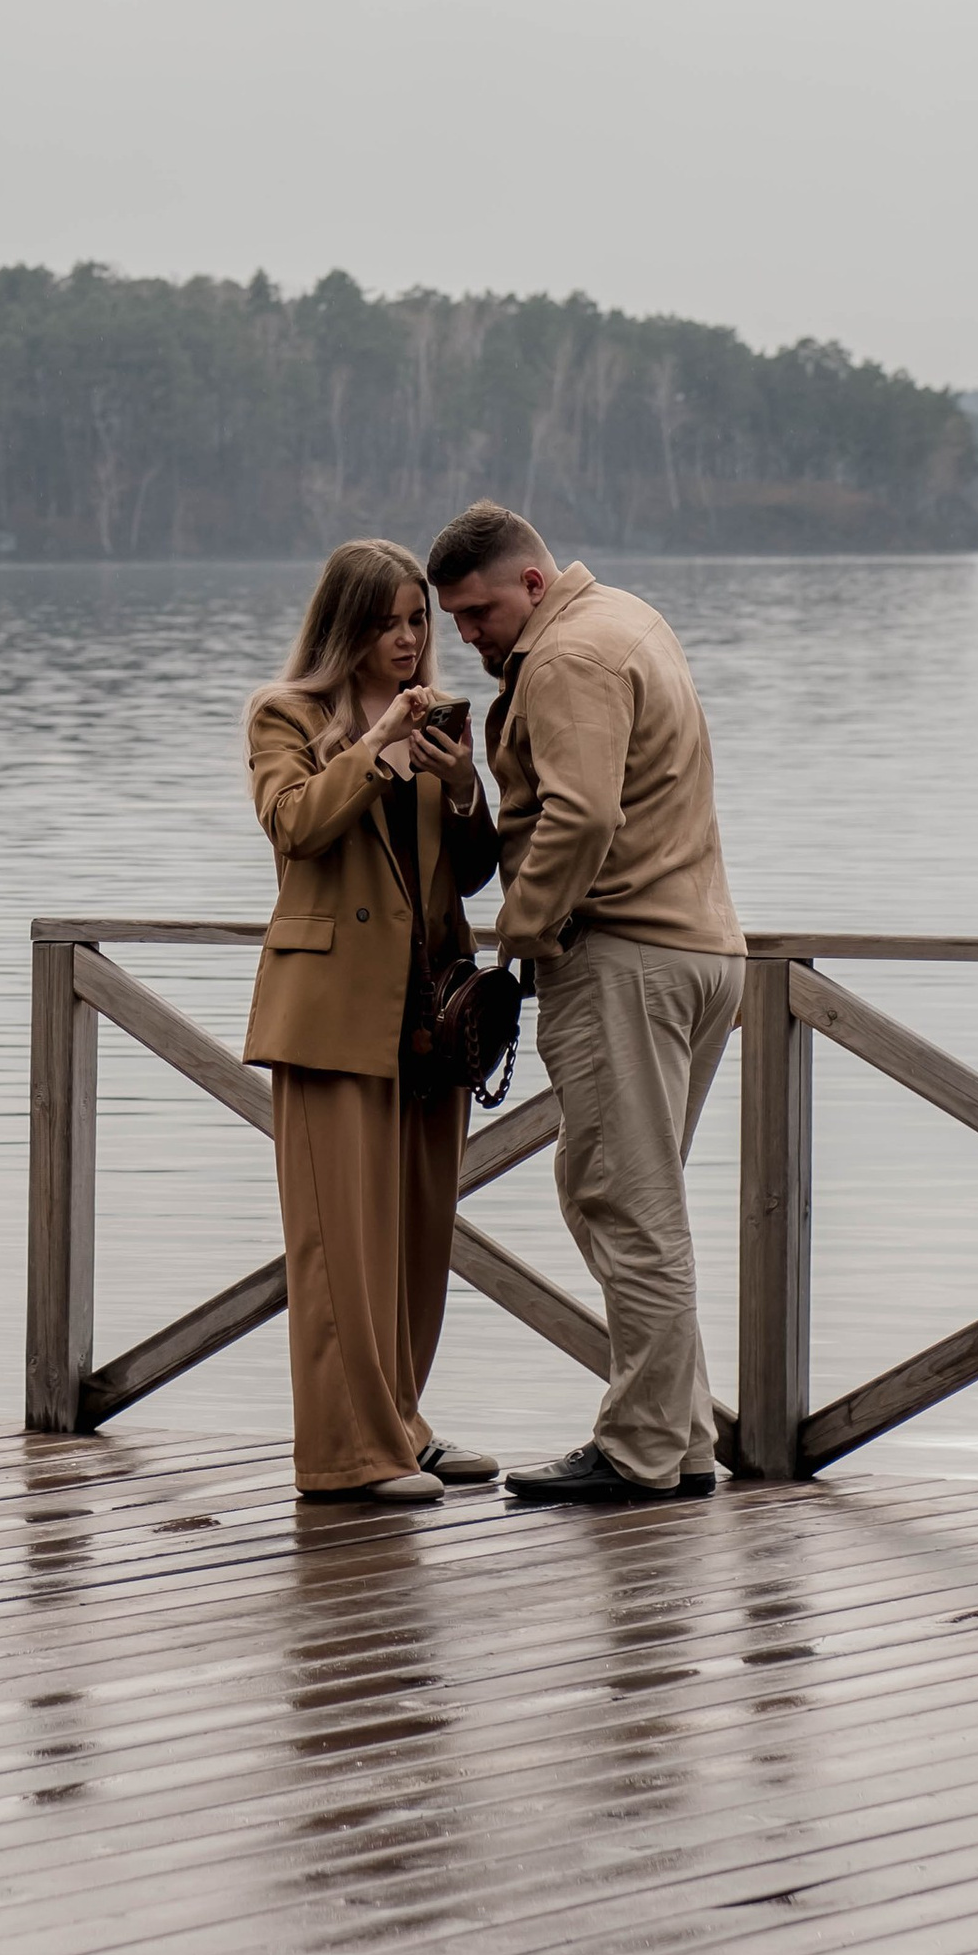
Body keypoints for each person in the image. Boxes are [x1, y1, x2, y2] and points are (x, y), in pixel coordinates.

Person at [427, 502, 745, 1510]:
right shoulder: (630, 619)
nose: (465, 635)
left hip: (624, 959)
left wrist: (518, 936)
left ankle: (641, 1451)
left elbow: (580, 813)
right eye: (453, 618)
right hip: (699, 950)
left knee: (625, 1208)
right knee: (630, 1199)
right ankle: (680, 1441)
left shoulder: (566, 657)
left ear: (531, 583)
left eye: (478, 613)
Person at [244, 539, 505, 1505]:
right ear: (344, 627)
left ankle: (403, 1425)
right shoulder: (287, 716)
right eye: (387, 621)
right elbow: (296, 825)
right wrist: (375, 749)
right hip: (329, 1014)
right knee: (338, 1248)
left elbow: (470, 872)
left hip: (429, 1013)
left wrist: (465, 783)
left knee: (414, 1241)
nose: (407, 638)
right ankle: (346, 1456)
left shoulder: (435, 718)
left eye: (417, 619)